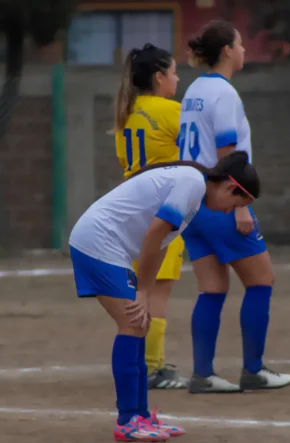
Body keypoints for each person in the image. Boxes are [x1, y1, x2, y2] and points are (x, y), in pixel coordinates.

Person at [68, 151, 260, 442]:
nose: (229, 211)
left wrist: (146, 288)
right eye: (237, 204)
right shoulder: (193, 183)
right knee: (132, 324)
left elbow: (160, 245)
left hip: (108, 244)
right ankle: (128, 420)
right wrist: (143, 290)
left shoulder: (193, 193)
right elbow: (155, 233)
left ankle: (141, 415)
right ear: (230, 187)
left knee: (139, 324)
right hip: (98, 241)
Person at [178, 20, 290, 393]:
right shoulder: (224, 93)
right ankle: (254, 370)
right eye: (241, 45)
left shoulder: (194, 90)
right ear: (227, 51)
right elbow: (228, 152)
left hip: (192, 202)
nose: (244, 50)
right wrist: (241, 205)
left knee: (211, 288)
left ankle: (203, 374)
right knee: (261, 281)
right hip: (222, 201)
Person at [112, 43, 188, 390]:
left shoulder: (126, 112)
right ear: (159, 77)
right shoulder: (170, 110)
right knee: (157, 292)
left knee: (142, 288)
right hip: (162, 209)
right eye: (173, 72)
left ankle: (145, 360)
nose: (177, 79)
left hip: (132, 207)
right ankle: (154, 366)